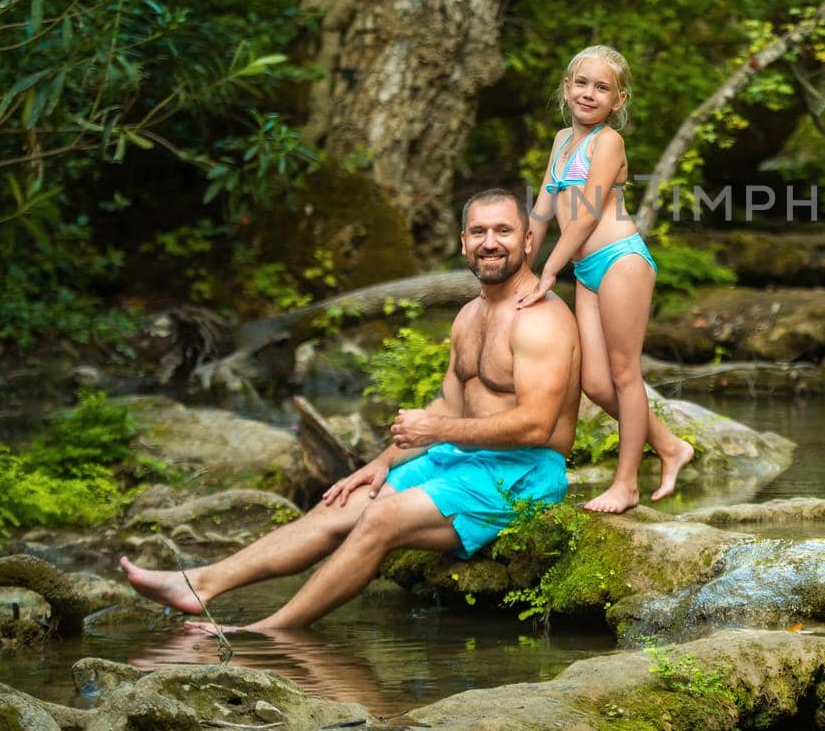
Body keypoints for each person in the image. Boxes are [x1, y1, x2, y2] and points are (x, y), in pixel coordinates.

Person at [119, 189, 581, 631]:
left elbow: (537, 426)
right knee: (340, 503)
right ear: (463, 244)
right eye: (478, 231)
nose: (489, 242)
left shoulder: (541, 319)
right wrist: (378, 464)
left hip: (522, 475)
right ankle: (199, 584)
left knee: (381, 518)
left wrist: (436, 427)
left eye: (503, 231)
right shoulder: (468, 317)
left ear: (526, 241)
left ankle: (268, 632)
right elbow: (453, 403)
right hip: (464, 460)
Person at [519, 45, 693, 514]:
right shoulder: (561, 140)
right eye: (581, 83)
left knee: (623, 373)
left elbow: (587, 213)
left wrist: (551, 270)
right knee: (596, 383)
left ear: (618, 100)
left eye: (602, 87)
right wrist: (522, 265)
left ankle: (627, 483)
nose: (589, 93)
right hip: (586, 270)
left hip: (619, 260)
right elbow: (542, 209)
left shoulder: (608, 141)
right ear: (566, 88)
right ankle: (672, 447)